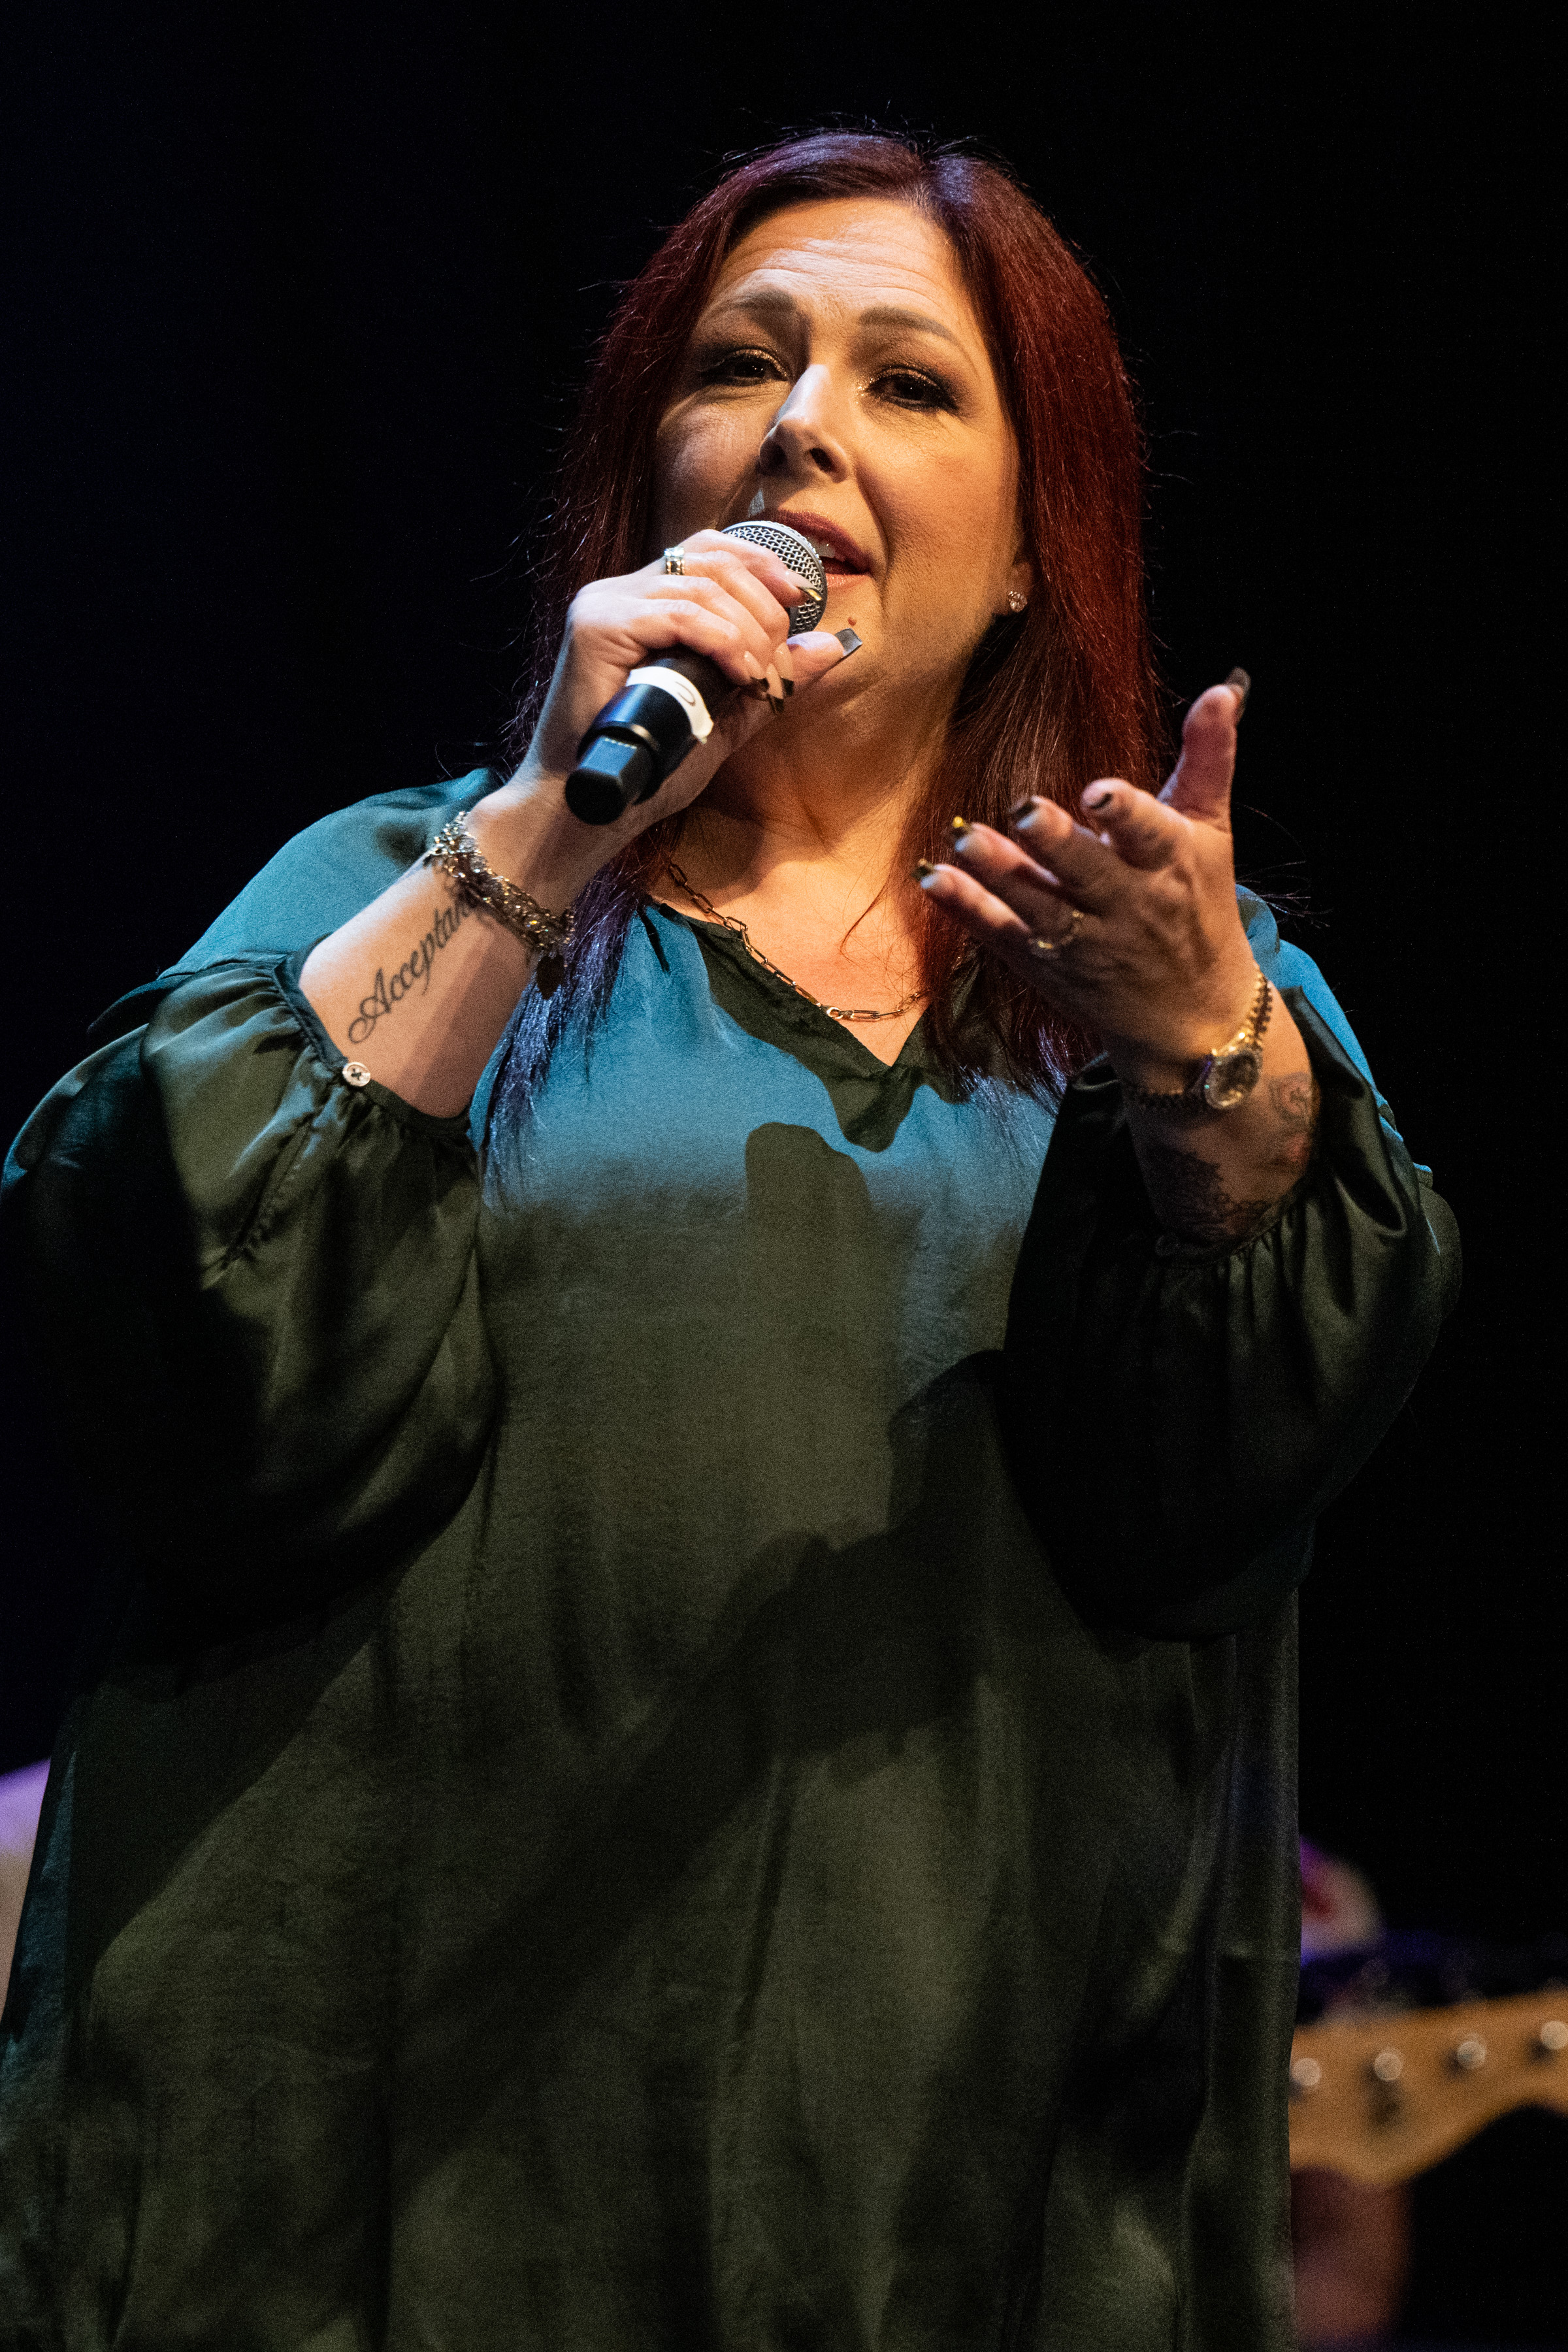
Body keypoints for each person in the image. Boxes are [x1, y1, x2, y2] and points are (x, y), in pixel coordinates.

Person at [0, 133, 1458, 2349]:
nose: (802, 425)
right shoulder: (405, 884)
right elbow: (180, 1321)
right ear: (645, 492)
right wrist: (543, 835)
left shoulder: (1160, 971)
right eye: (743, 365)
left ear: (1036, 552)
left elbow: (1250, 1449)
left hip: (948, 2181)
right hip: (367, 2191)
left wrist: (1198, 1055)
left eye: (909, 385)